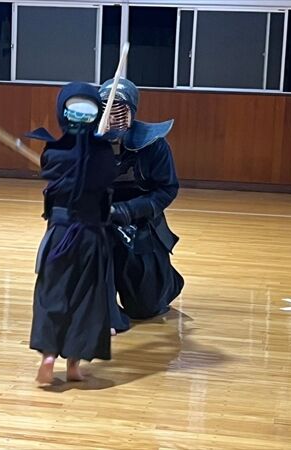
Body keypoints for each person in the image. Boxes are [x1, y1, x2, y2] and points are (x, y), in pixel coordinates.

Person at [27, 82, 118, 384]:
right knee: (86, 298)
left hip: (60, 235)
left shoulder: (54, 152)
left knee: (52, 294)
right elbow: (108, 179)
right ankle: (74, 366)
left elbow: (51, 174)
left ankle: (48, 356)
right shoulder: (104, 155)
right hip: (92, 236)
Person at [98, 78, 185, 333]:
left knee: (145, 307)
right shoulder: (83, 143)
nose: (112, 117)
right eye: (106, 109)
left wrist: (127, 211)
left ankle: (165, 279)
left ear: (132, 112)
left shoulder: (153, 145)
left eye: (119, 110)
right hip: (97, 223)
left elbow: (167, 189)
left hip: (138, 221)